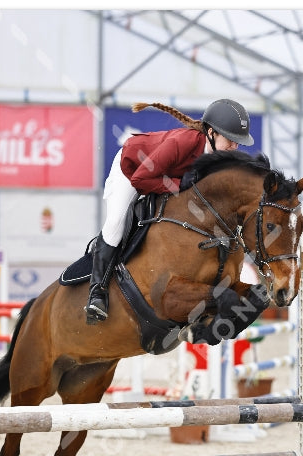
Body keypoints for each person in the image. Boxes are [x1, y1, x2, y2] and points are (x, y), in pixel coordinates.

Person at [85, 99, 255, 324]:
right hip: (132, 168)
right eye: (231, 140)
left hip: (160, 176)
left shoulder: (219, 158)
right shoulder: (182, 143)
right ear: (212, 133)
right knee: (116, 224)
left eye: (238, 143)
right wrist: (177, 184)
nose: (235, 147)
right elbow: (140, 180)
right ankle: (97, 292)